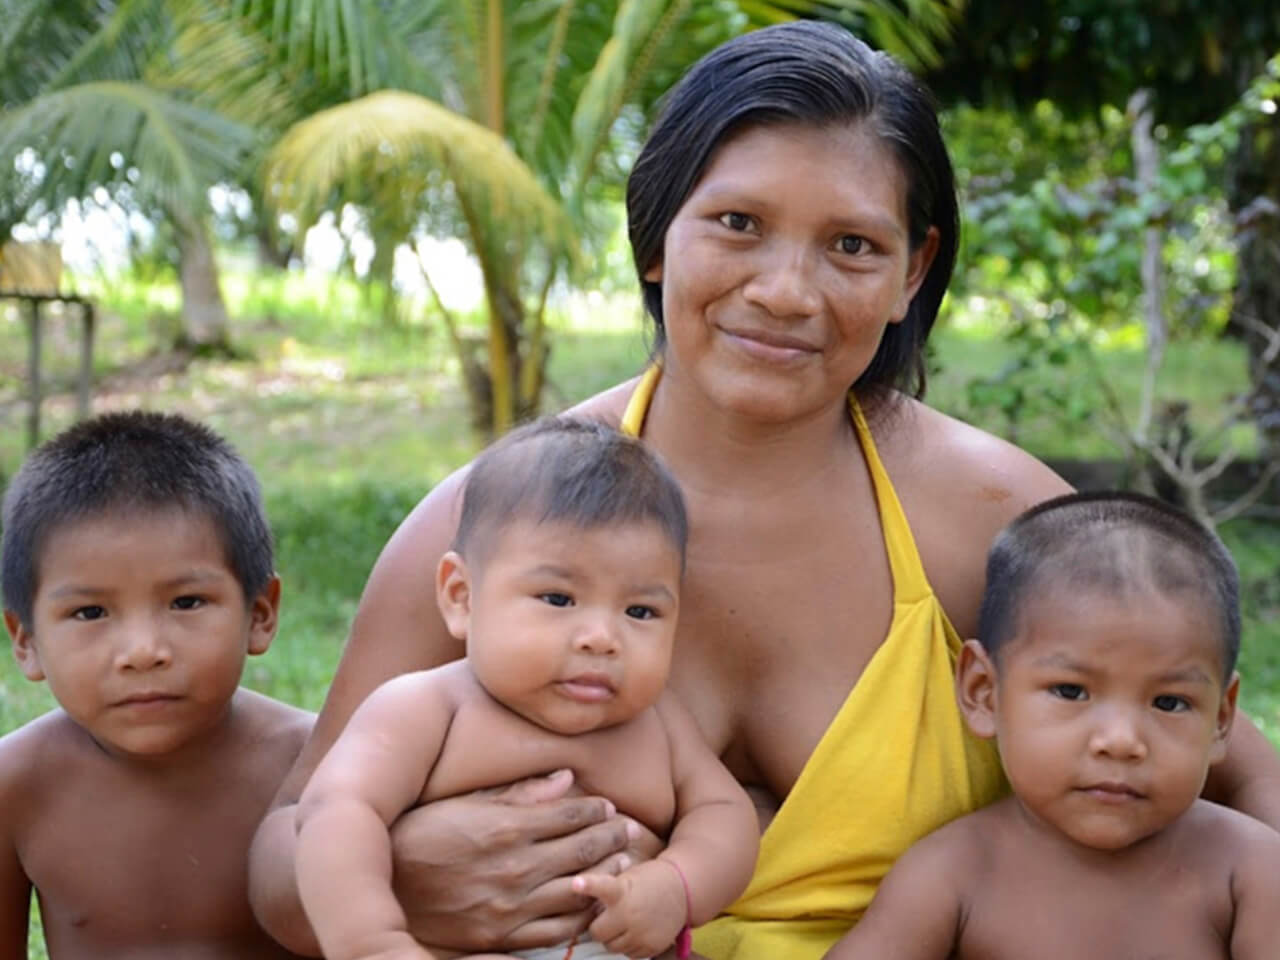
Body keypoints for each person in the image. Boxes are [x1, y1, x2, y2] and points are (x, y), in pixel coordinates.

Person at [249, 20, 1280, 960]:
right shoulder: (499, 517)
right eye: (737, 223)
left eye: (850, 246)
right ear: (657, 237)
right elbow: (280, 854)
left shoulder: (987, 516)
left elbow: (1234, 765)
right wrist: (399, 887)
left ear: (910, 273)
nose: (786, 292)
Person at [293, 417, 758, 960]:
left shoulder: (659, 724)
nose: (602, 638)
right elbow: (336, 813)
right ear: (462, 597)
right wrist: (373, 943)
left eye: (640, 611)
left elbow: (725, 814)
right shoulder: (427, 709)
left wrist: (677, 885)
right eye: (559, 599)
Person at [824, 491, 1280, 959]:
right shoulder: (953, 875)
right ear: (984, 692)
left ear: (1222, 719)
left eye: (1169, 702)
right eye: (1071, 691)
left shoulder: (1249, 872)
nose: (1121, 742)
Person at [0, 411, 314, 959]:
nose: (144, 651)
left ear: (260, 613)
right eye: (90, 611)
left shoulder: (316, 764)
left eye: (186, 602)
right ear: (25, 640)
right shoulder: (16, 787)